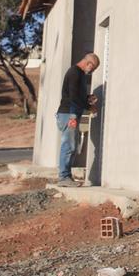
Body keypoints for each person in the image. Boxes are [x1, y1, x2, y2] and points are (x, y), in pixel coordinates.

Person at [55, 53, 99, 186]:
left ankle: (66, 177)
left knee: (72, 146)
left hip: (71, 114)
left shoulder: (78, 74)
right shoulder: (75, 72)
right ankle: (63, 178)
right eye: (93, 68)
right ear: (89, 64)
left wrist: (87, 99)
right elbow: (73, 97)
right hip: (69, 114)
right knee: (68, 146)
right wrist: (87, 107)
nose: (91, 71)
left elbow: (75, 96)